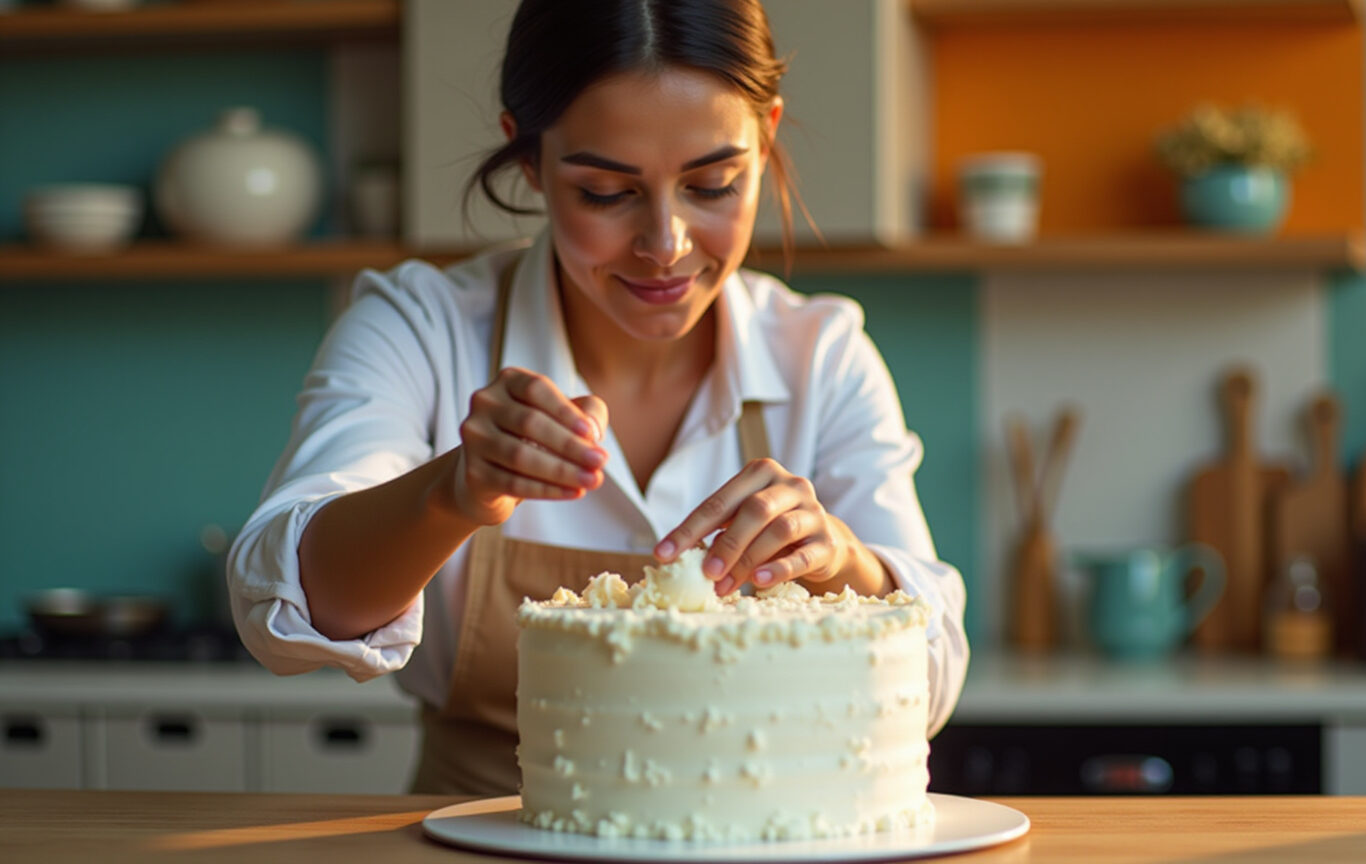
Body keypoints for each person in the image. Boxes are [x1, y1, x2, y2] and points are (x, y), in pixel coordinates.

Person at [227, 0, 968, 795]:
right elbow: (285, 611)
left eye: (713, 184)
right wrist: (454, 491)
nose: (666, 245)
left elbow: (932, 674)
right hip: (478, 836)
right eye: (607, 193)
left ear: (767, 137)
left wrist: (842, 564)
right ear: (529, 162)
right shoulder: (421, 330)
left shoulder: (822, 358)